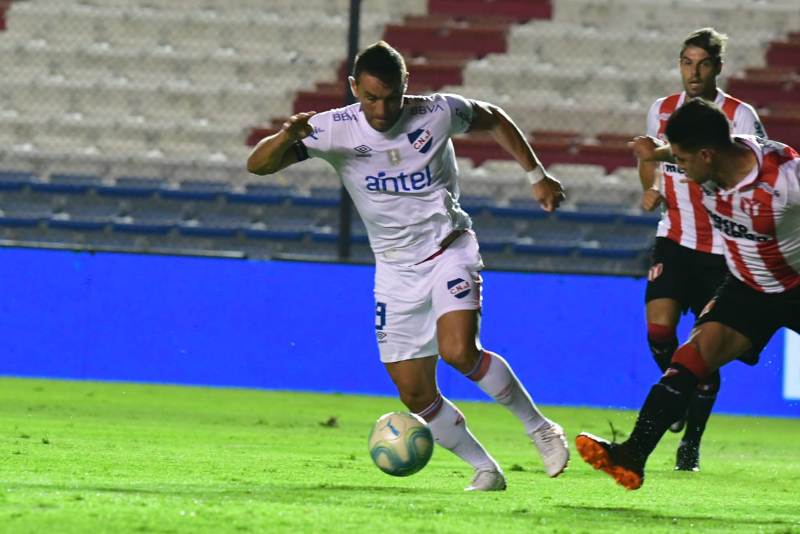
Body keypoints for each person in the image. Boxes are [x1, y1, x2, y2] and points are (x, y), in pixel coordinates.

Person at [247, 41, 569, 491]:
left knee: (459, 351)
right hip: (395, 271)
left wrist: (537, 175)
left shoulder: (437, 112)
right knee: (415, 393)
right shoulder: (333, 128)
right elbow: (257, 165)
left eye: (392, 97)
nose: (381, 109)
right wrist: (288, 136)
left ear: (405, 88)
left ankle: (540, 429)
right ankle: (486, 470)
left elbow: (493, 116)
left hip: (448, 249)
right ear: (354, 88)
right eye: (371, 98)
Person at [576, 98, 800, 490]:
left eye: (681, 159)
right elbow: (677, 152)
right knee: (690, 358)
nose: (676, 168)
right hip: (748, 288)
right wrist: (653, 152)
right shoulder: (710, 161)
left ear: (707, 154)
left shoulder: (784, 178)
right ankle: (633, 455)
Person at [637, 28, 767, 471]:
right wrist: (650, 188)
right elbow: (649, 159)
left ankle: (690, 443)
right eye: (686, 63)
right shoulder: (661, 109)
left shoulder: (740, 116)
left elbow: (748, 168)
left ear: (718, 68)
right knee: (659, 332)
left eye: (703, 63)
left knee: (703, 343)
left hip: (722, 250)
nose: (694, 72)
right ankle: (677, 393)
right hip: (674, 237)